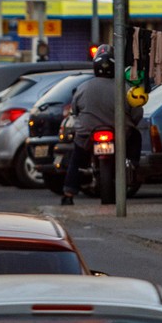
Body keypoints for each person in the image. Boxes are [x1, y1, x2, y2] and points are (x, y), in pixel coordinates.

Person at [61, 44, 143, 205]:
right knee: (136, 137)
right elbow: (137, 113)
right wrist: (130, 125)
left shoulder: (83, 88)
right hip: (120, 134)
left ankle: (68, 193)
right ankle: (133, 166)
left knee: (76, 159)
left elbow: (75, 110)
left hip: (87, 133)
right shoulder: (125, 89)